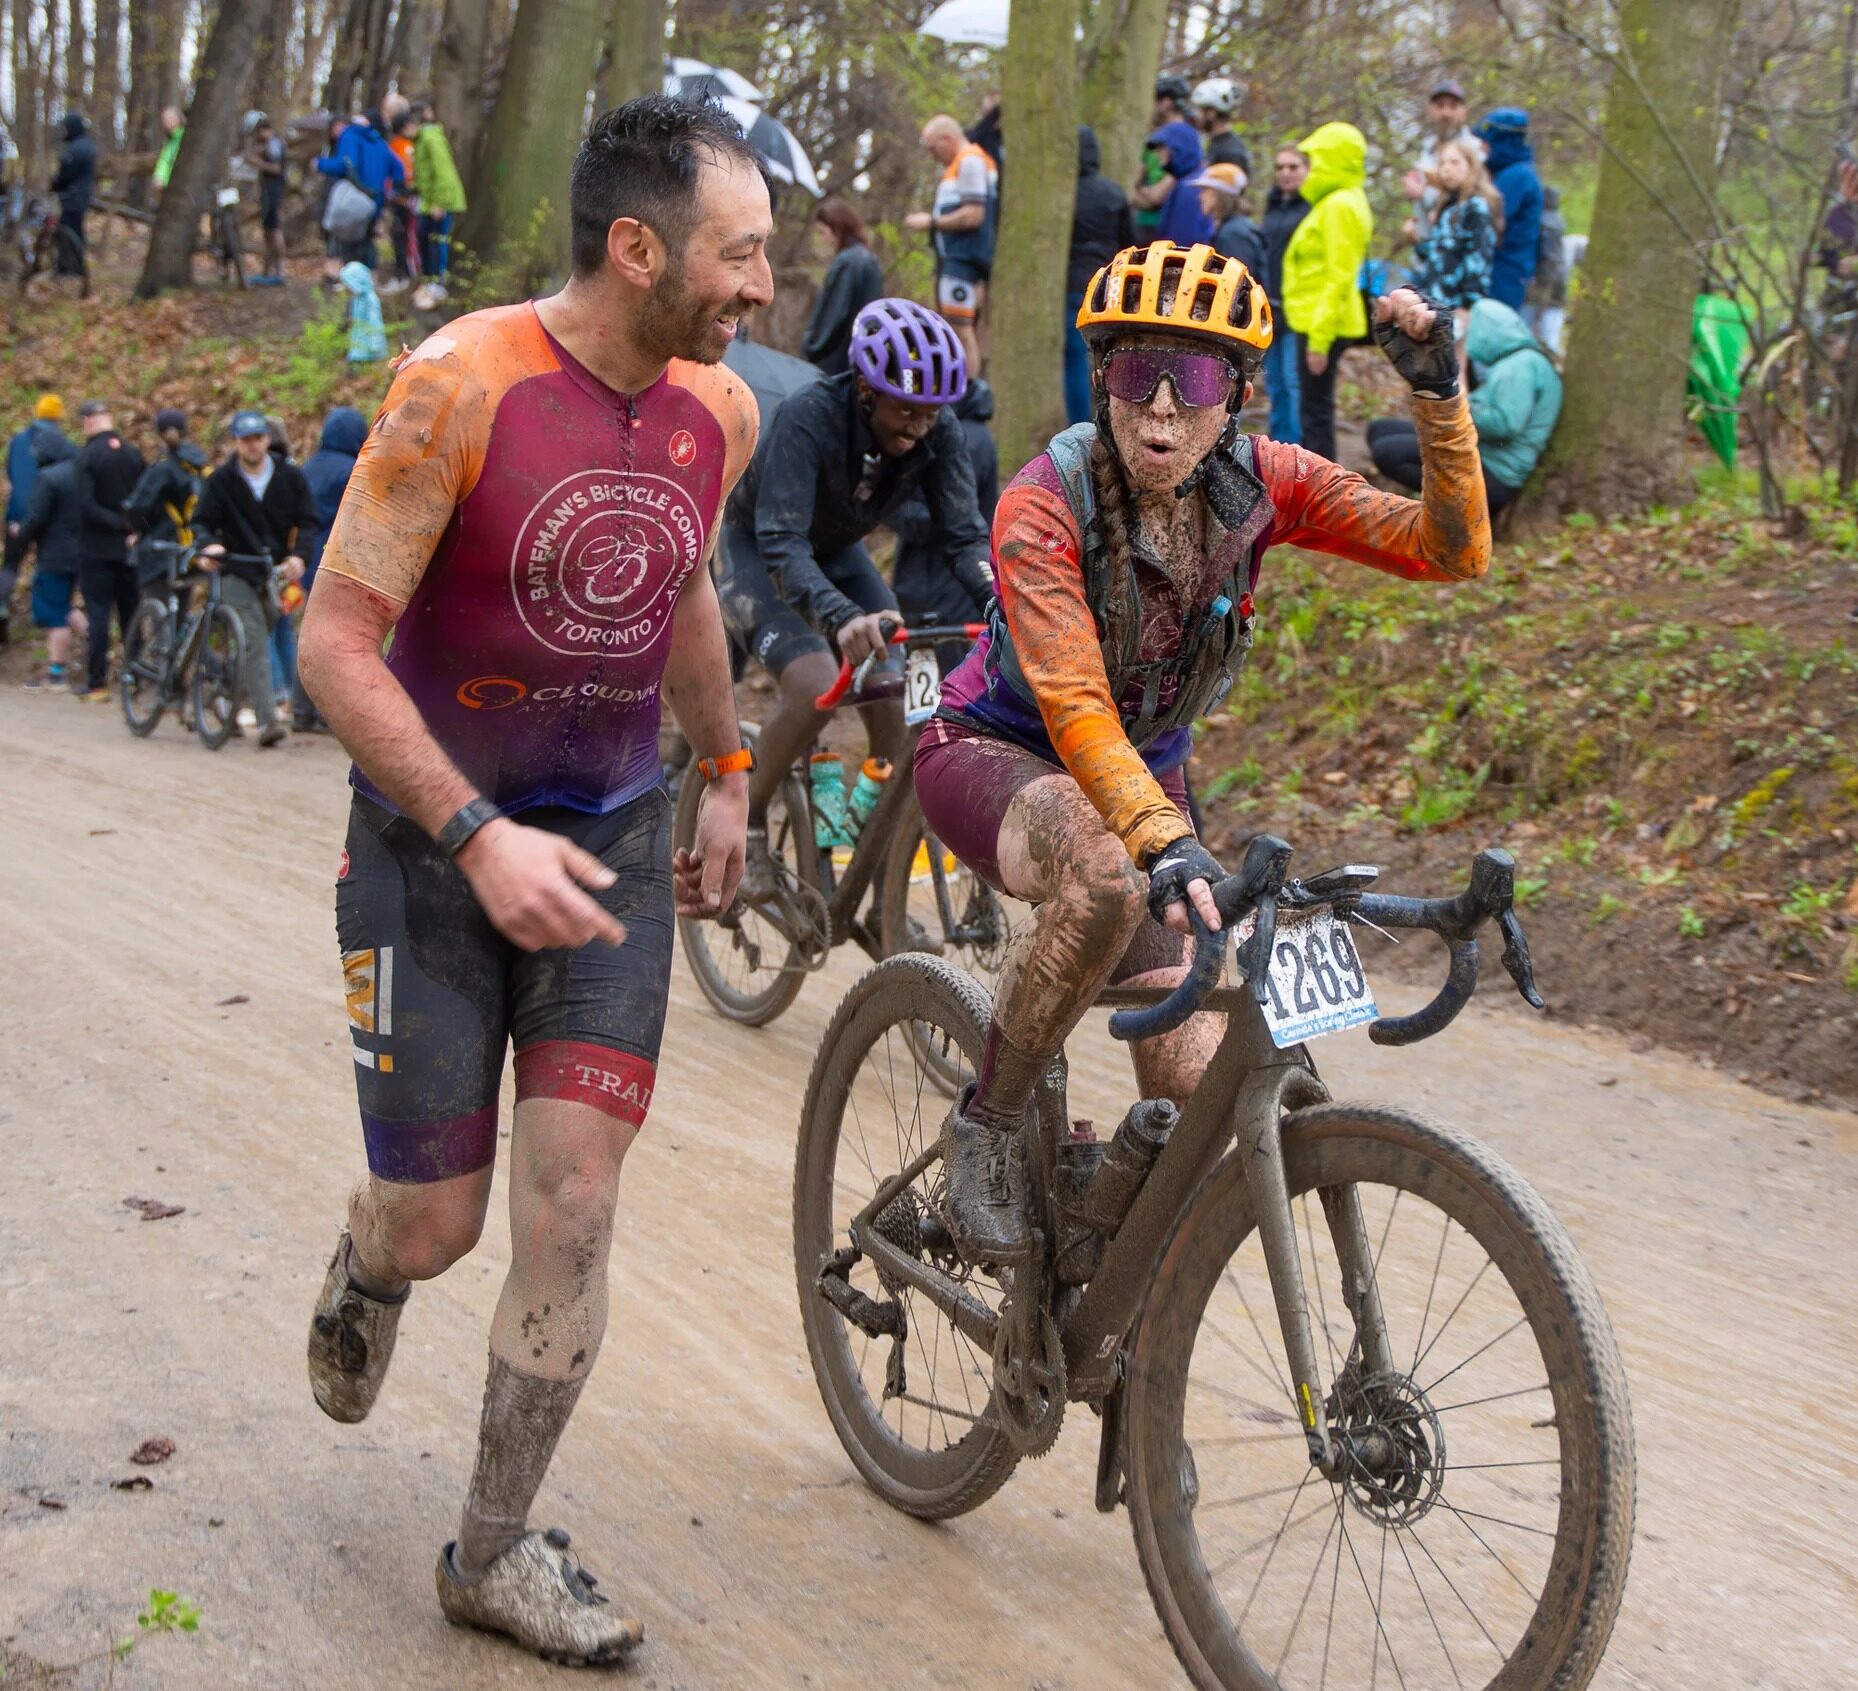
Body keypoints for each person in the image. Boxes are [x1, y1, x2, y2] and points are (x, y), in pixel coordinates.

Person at [294, 93, 765, 1666]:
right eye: (738, 254)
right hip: (437, 842)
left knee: (575, 1195)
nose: (762, 287)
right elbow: (332, 644)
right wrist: (472, 831)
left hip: (615, 829)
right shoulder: (459, 384)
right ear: (636, 249)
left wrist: (726, 769)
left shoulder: (721, 410)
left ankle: (491, 1546)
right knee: (436, 1221)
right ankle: (367, 1264)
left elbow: (679, 580)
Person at [911, 243, 1490, 1259]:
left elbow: (1450, 549)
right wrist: (1158, 839)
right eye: (1139, 377)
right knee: (1101, 875)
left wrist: (1440, 399)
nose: (1164, 413)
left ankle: (1106, 1274)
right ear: (1107, 381)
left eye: (1200, 380)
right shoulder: (1046, 500)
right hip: (996, 749)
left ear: (1240, 396)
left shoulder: (1265, 486)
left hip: (1144, 783)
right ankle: (986, 1126)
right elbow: (1077, 705)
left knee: (1192, 1091)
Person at [716, 296, 990, 897]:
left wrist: (1005, 603)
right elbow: (782, 543)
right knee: (816, 684)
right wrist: (839, 618)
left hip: (839, 552)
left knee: (895, 703)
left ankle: (874, 879)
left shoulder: (936, 433)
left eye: (931, 413)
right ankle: (751, 823)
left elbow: (964, 534)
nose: (918, 426)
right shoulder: (808, 416)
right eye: (906, 410)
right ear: (867, 389)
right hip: (758, 550)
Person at [190, 410, 316, 746]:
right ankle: (267, 721)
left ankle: (223, 701)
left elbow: (308, 521)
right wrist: (209, 544)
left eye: (257, 438)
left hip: (272, 573)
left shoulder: (290, 477)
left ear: (266, 439)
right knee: (255, 638)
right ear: (236, 443)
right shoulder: (221, 480)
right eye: (245, 440)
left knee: (259, 634)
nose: (252, 446)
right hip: (234, 569)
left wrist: (298, 556)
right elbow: (200, 521)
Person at [892, 375, 999, 672]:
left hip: (953, 596)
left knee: (952, 689)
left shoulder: (968, 440)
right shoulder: (923, 432)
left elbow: (942, 521)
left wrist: (884, 500)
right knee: (916, 695)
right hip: (917, 587)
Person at [1282, 121, 1372, 463]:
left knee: (1315, 414)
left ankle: (1318, 496)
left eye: (1313, 159)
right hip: (1314, 321)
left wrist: (1319, 341)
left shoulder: (1341, 206)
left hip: (1322, 326)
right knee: (1313, 410)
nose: (1308, 168)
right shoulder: (1336, 202)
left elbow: (1339, 278)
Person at [288, 405, 367, 731]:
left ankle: (301, 710)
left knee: (307, 637)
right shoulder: (353, 470)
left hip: (303, 560)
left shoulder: (309, 466)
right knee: (333, 644)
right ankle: (321, 712)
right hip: (334, 563)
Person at [905, 115, 998, 378]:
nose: (933, 156)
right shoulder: (961, 163)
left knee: (960, 329)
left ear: (946, 138)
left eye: (933, 148)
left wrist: (931, 222)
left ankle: (966, 394)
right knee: (955, 327)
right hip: (957, 258)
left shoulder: (969, 160)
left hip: (964, 259)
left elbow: (973, 215)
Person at [71, 401, 146, 702]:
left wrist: (114, 523)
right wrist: (134, 528)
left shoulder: (87, 457)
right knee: (132, 615)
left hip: (97, 549)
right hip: (131, 548)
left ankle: (97, 680)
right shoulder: (132, 454)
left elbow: (85, 505)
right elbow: (146, 497)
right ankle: (136, 679)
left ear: (88, 421)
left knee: (99, 614)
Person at [1066, 126, 1134, 426]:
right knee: (1109, 354)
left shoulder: (1064, 194)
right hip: (1107, 285)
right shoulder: (1113, 193)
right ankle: (1109, 417)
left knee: (1073, 358)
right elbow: (1129, 241)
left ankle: (1081, 424)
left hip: (1071, 281)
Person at [14, 427, 87, 690]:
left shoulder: (48, 477)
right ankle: (94, 640)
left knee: (54, 613)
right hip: (83, 551)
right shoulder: (81, 471)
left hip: (54, 554)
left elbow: (36, 517)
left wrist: (20, 531)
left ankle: (56, 673)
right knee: (65, 606)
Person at [1406, 136, 1500, 320]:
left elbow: (1478, 260)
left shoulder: (1476, 207)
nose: (1447, 169)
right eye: (1442, 163)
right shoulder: (1447, 207)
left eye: (1455, 162)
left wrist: (1469, 305)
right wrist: (1416, 241)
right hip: (1435, 302)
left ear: (1471, 167)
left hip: (1458, 307)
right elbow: (1440, 254)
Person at [5, 395, 75, 641]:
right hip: (50, 518)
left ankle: (2, 608)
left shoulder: (17, 441)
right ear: (58, 418)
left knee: (11, 565)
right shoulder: (62, 443)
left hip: (17, 512)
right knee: (51, 569)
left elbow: (11, 472)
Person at [316, 108, 403, 281]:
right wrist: (393, 191)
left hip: (354, 199)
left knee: (343, 238)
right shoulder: (380, 143)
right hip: (374, 201)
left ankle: (343, 278)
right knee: (367, 239)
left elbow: (346, 164)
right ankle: (371, 279)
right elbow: (398, 169)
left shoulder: (350, 136)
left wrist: (320, 164)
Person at [1259, 146, 1309, 443]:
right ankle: (1280, 443)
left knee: (1292, 382)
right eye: (1280, 167)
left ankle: (1297, 447)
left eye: (1293, 167)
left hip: (1298, 307)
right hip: (1272, 303)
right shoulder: (1274, 205)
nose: (1286, 173)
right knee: (1274, 381)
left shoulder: (1310, 208)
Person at [801, 197, 884, 376]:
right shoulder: (869, 259)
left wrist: (812, 346)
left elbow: (835, 314)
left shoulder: (848, 262)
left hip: (835, 360)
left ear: (837, 228)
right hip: (857, 359)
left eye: (824, 232)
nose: (824, 239)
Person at [123, 407, 207, 576]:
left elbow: (138, 506)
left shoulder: (163, 467)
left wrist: (140, 530)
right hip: (195, 547)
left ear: (159, 434)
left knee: (156, 597)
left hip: (163, 549)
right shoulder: (199, 463)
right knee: (185, 599)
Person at [1476, 106, 1543, 311]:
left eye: (1487, 143)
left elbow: (1487, 217)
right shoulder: (1513, 172)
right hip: (1507, 272)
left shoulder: (1516, 176)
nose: (1483, 149)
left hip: (1505, 273)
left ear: (1501, 141)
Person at [1133, 75, 1211, 249]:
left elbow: (1156, 196)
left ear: (1166, 102)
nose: (1160, 155)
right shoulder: (1156, 139)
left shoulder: (1187, 142)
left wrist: (1147, 195)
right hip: (1152, 224)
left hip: (1165, 226)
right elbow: (1131, 192)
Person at [1402, 78, 1484, 237]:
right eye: (1440, 106)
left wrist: (1423, 194)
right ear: (1430, 110)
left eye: (1453, 106)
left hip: (1458, 250)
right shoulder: (1427, 149)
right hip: (1427, 251)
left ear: (1464, 112)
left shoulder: (1475, 150)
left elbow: (1470, 199)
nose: (1446, 113)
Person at [410, 99, 466, 304]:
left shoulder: (430, 137)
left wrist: (440, 202)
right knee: (424, 238)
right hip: (428, 200)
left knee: (437, 240)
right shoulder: (421, 139)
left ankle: (437, 283)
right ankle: (428, 280)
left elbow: (442, 172)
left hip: (439, 201)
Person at [1192, 162, 1265, 277]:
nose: (1200, 196)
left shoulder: (1234, 235)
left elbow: (1238, 283)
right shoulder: (1233, 229)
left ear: (1219, 194)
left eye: (1205, 190)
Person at [49, 112, 95, 287]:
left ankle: (68, 268)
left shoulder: (76, 149)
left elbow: (65, 174)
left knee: (68, 230)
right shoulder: (87, 146)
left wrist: (55, 184)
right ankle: (76, 266)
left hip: (72, 196)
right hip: (81, 196)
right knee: (76, 229)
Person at [245, 111, 289, 285]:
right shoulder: (267, 145)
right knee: (267, 230)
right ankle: (268, 269)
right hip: (267, 191)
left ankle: (281, 269)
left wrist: (257, 162)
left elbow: (277, 168)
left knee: (275, 229)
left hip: (274, 190)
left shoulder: (275, 144)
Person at [1525, 183, 1569, 351]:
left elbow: (1546, 253)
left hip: (1546, 273)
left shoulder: (1543, 221)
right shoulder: (1558, 219)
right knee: (1553, 313)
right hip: (1559, 271)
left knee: (1538, 313)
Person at [383, 111, 418, 295]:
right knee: (400, 235)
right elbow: (401, 173)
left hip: (410, 198)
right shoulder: (398, 146)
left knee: (408, 235)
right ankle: (402, 273)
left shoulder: (409, 145)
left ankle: (409, 271)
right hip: (402, 199)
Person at [1190, 77, 1250, 175]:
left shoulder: (1230, 152)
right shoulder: (1218, 144)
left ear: (1212, 113)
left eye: (1199, 109)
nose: (1195, 114)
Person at [341, 259, 388, 362]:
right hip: (358, 342)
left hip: (369, 345)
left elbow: (375, 322)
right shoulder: (357, 298)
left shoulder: (370, 299)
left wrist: (375, 344)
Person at [152, 106, 185, 197]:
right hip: (169, 185)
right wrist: (159, 177)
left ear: (178, 118)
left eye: (169, 118)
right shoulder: (170, 140)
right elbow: (164, 160)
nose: (165, 122)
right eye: (164, 119)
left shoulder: (183, 136)